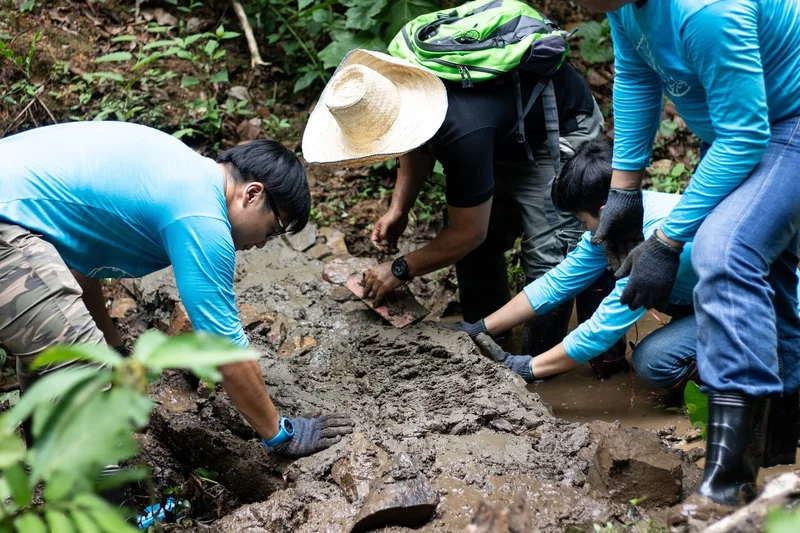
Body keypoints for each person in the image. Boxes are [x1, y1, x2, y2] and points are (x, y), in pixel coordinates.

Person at [0, 121, 353, 457]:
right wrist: (280, 434)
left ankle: (44, 464)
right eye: (275, 228)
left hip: (13, 214)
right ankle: (102, 510)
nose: (263, 244)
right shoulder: (203, 218)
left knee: (57, 355)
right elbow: (226, 352)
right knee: (87, 375)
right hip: (6, 224)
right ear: (253, 193)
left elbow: (76, 271)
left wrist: (115, 350)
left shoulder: (179, 168)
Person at [570, 0, 800, 506]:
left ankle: (728, 482)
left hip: (784, 123)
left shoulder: (706, 10)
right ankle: (779, 453)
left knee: (725, 249)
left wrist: (668, 240)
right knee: (774, 282)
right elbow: (635, 76)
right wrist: (625, 192)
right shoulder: (622, 4)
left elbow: (746, 133)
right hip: (738, 127)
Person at [302, 48, 623, 365]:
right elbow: (413, 142)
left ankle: (545, 364)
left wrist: (400, 269)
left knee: (551, 254)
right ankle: (487, 340)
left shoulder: (463, 129)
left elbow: (469, 232)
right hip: (500, 128)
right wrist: (398, 207)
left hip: (555, 124)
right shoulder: (401, 87)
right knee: (475, 243)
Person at [457, 141, 800, 410]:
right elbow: (557, 282)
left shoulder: (663, 237)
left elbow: (603, 327)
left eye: (582, 220)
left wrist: (527, 367)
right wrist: (480, 328)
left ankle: (740, 391)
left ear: (604, 211)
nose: (583, 228)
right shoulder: (624, 216)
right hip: (707, 300)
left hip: (758, 309)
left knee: (653, 361)